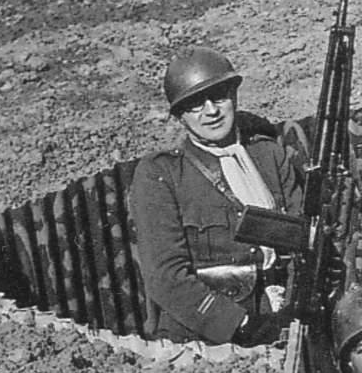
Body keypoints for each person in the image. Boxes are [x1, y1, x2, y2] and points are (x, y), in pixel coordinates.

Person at [129, 46, 302, 347]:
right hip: (206, 336)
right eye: (195, 104)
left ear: (234, 96)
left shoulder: (268, 155)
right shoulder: (163, 174)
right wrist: (239, 324)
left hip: (281, 315)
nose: (211, 111)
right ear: (180, 116)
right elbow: (166, 277)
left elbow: (301, 237)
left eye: (219, 97)